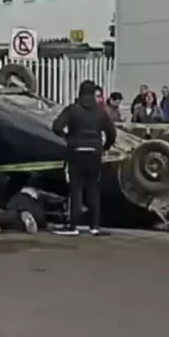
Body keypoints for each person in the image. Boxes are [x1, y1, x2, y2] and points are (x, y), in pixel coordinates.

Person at [52, 80, 117, 236]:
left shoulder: (73, 110)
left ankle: (73, 226)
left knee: (76, 189)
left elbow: (56, 127)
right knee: (93, 189)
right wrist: (105, 147)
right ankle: (94, 226)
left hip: (76, 151)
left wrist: (68, 137)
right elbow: (112, 133)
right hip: (94, 152)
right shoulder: (101, 112)